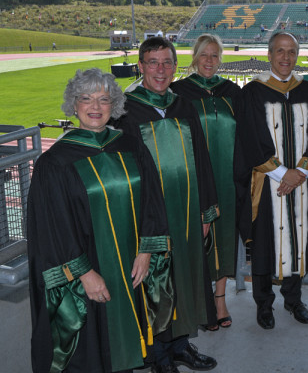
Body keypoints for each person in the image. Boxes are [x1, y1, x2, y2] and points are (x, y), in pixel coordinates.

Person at [28, 68, 174, 373]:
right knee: (93, 346)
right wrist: (84, 274)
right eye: (86, 98)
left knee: (127, 337)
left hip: (132, 262)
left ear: (115, 105)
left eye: (104, 99)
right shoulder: (55, 163)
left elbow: (152, 201)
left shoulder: (130, 145)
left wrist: (147, 251)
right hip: (88, 269)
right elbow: (53, 229)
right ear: (73, 105)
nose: (95, 106)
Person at [112, 37, 218, 373]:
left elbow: (201, 158)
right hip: (148, 216)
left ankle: (180, 345)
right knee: (156, 285)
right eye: (153, 62)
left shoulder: (183, 105)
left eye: (167, 62)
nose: (160, 70)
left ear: (175, 66)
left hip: (186, 211)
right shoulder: (125, 111)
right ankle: (158, 356)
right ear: (140, 66)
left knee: (184, 278)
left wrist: (205, 211)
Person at [236, 31, 308, 330]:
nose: (286, 57)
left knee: (297, 240)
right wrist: (280, 172)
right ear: (269, 54)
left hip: (301, 182)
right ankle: (264, 304)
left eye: (291, 52)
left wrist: (300, 172)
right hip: (267, 183)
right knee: (265, 242)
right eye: (280, 51)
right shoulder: (253, 92)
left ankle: (293, 299)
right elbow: (251, 137)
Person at [170, 34, 242, 330]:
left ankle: (220, 299)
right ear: (194, 58)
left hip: (226, 179)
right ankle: (196, 301)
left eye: (215, 55)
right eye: (204, 55)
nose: (209, 60)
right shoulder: (177, 92)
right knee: (194, 239)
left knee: (224, 237)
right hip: (192, 180)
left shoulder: (232, 92)